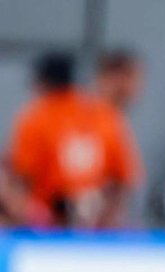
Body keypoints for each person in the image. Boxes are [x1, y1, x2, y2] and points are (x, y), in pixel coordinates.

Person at [6, 52, 141, 228]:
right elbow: (123, 180)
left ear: (43, 83)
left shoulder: (35, 116)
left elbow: (21, 176)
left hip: (47, 224)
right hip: (95, 222)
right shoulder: (105, 114)